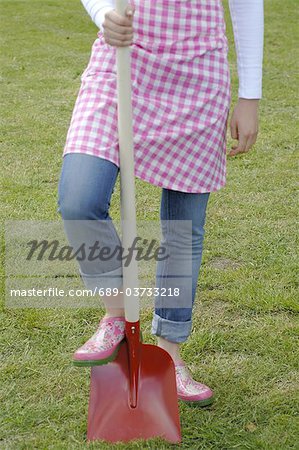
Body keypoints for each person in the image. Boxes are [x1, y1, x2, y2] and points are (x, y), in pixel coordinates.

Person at [57, 0, 264, 405]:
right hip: (122, 61)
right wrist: (103, 13)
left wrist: (250, 95)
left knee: (182, 231)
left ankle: (168, 355)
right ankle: (116, 315)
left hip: (198, 72)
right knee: (78, 198)